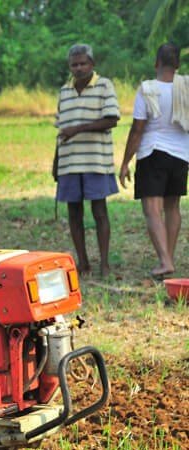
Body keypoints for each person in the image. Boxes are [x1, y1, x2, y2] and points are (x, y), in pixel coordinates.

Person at [119, 43, 188, 281]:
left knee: (152, 209)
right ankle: (167, 258)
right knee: (172, 208)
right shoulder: (186, 87)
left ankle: (165, 261)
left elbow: (138, 129)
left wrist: (125, 162)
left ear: (156, 63)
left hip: (153, 152)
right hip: (181, 155)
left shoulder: (148, 89)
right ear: (177, 64)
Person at [55, 44, 121, 278]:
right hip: (69, 164)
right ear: (69, 67)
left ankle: (104, 263)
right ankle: (83, 262)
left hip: (96, 162)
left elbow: (112, 120)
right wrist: (56, 165)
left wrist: (78, 129)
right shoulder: (64, 91)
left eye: (83, 63)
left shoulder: (104, 86)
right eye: (75, 64)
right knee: (74, 214)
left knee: (99, 211)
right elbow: (61, 132)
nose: (79, 68)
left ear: (92, 64)